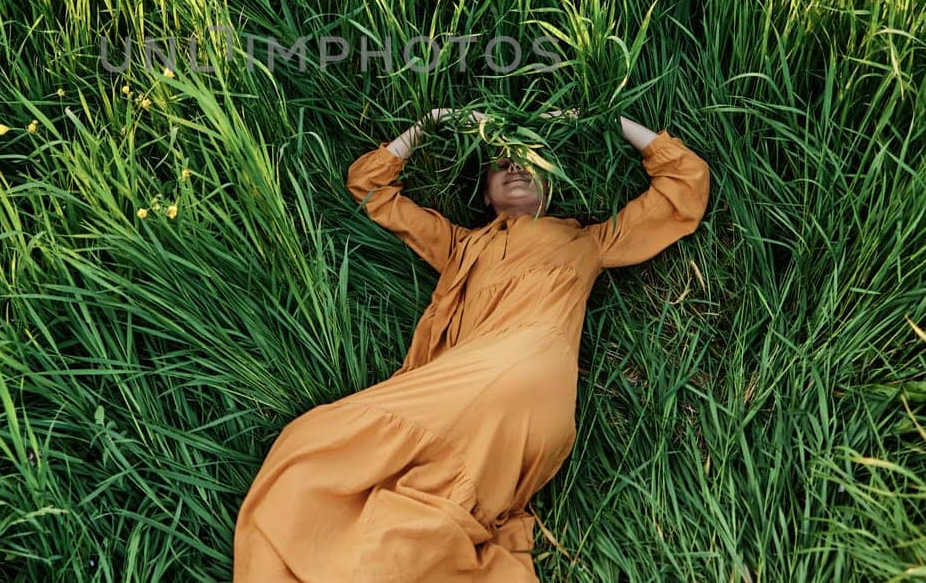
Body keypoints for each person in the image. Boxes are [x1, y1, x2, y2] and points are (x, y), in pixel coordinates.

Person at [231, 107, 711, 581]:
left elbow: (684, 184)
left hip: (526, 370)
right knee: (320, 457)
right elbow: (370, 187)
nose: (516, 167)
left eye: (531, 163)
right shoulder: (460, 246)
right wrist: (433, 120)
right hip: (461, 388)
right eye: (501, 165)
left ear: (550, 184)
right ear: (485, 193)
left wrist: (604, 119)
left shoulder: (588, 241)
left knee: (385, 485)